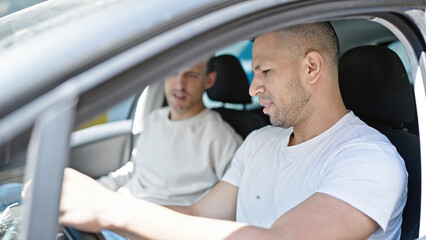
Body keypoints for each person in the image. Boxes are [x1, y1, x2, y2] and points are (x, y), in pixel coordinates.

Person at [59, 22, 407, 239]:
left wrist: (114, 211)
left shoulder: (369, 160)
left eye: (264, 71)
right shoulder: (259, 142)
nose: (253, 89)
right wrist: (111, 220)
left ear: (312, 68)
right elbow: (196, 215)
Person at [96, 58, 242, 206]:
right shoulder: (154, 119)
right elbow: (134, 170)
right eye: (173, 72)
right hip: (118, 209)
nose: (179, 85)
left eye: (191, 75)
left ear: (209, 80)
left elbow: (233, 200)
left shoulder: (220, 137)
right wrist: (97, 189)